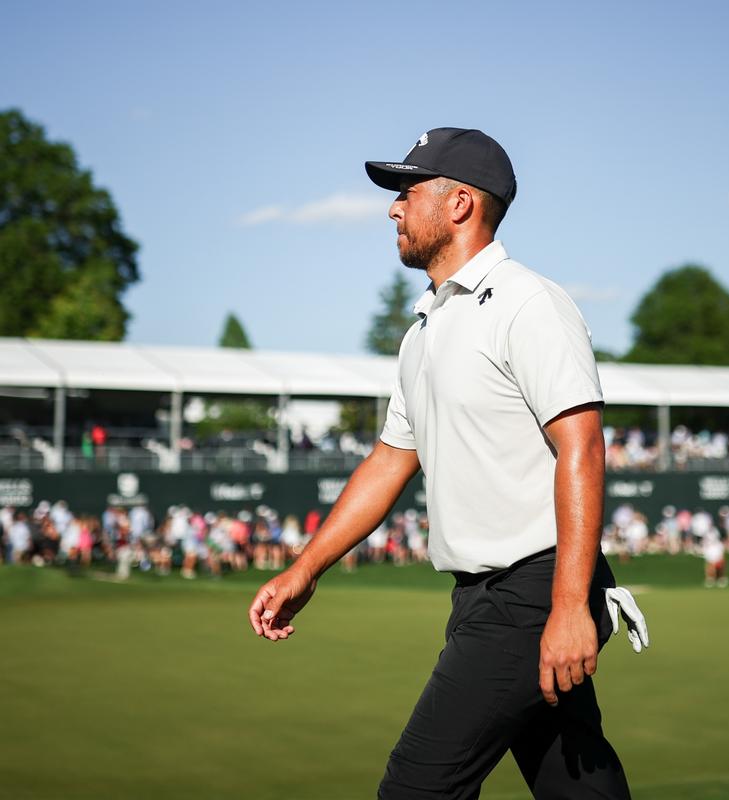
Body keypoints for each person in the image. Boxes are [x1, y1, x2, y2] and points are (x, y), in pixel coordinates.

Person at [248, 127, 645, 799]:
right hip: (478, 597)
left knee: (415, 790)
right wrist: (304, 568)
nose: (393, 209)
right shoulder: (426, 326)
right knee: (577, 784)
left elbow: (583, 447)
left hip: (533, 591)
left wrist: (570, 605)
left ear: (459, 203)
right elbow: (388, 461)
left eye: (407, 192)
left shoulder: (529, 302)